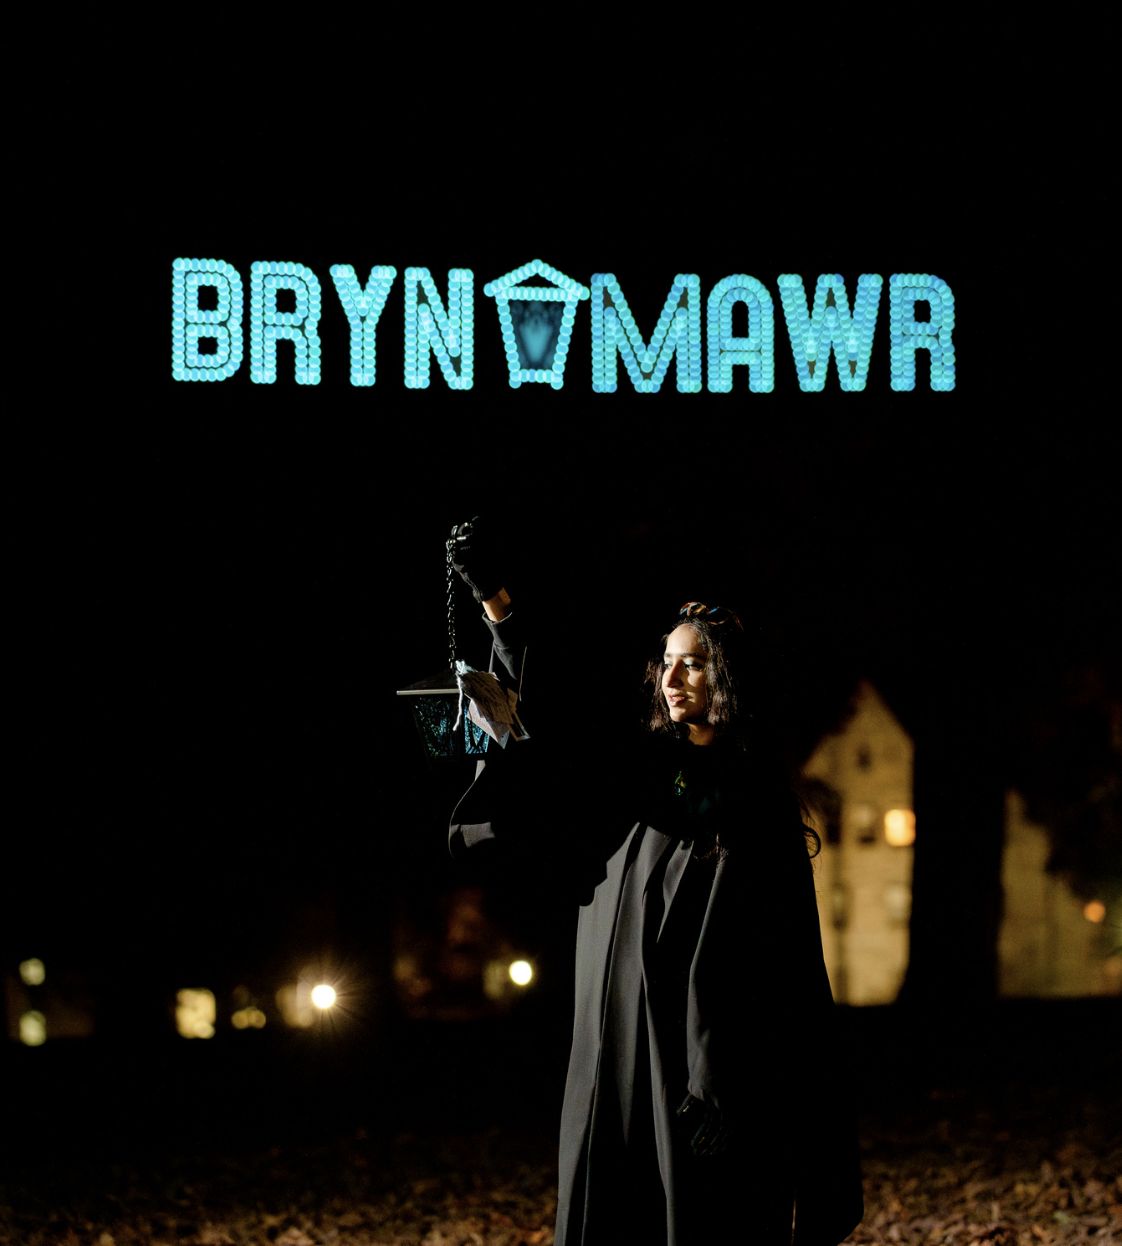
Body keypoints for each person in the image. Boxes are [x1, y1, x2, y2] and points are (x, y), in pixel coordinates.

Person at [446, 519, 864, 1246]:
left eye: (693, 665)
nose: (672, 679)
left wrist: (716, 1081)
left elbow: (770, 967)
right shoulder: (642, 776)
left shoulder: (750, 801)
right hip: (613, 1059)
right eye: (667, 663)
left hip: (694, 1079)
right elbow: (553, 746)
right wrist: (497, 608)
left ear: (727, 676)